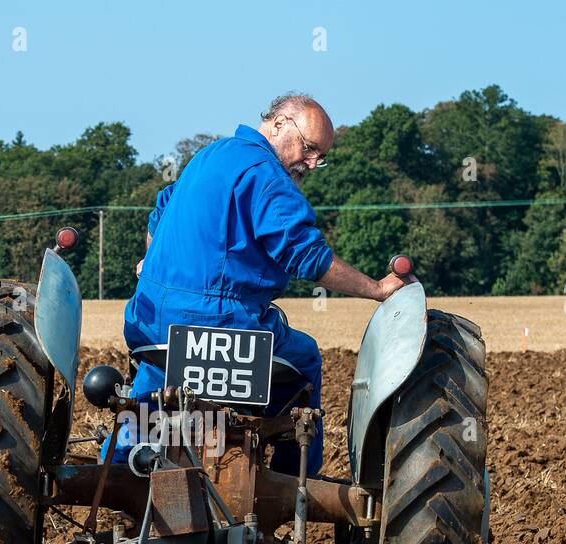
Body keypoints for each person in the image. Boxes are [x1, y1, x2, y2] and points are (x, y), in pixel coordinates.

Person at [120, 92, 414, 474]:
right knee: (305, 359)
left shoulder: (210, 155)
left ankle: (118, 469)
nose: (310, 163)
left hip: (152, 322)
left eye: (319, 157)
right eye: (308, 149)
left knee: (153, 383)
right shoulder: (265, 174)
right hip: (222, 323)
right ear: (278, 124)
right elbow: (305, 254)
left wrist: (153, 259)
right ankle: (295, 483)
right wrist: (376, 289)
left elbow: (162, 208)